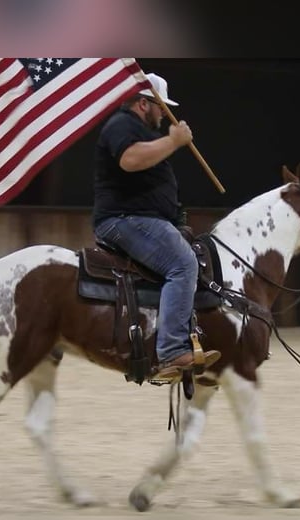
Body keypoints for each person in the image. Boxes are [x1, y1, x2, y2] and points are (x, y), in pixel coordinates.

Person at [92, 73, 220, 377]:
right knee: (183, 264)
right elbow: (130, 160)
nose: (164, 114)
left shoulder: (142, 132)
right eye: (161, 107)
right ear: (142, 104)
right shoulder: (122, 125)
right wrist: (174, 141)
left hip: (144, 219)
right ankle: (173, 352)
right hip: (124, 219)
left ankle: (190, 341)